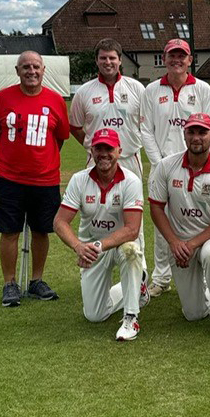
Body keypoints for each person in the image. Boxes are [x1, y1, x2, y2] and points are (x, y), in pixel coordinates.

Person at [0, 51, 70, 307]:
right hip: (8, 179)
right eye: (25, 67)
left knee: (41, 231)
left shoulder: (56, 100)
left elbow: (59, 138)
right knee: (9, 231)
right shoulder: (3, 98)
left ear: (44, 70)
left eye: (36, 66)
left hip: (44, 181)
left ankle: (37, 280)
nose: (31, 71)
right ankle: (9, 283)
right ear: (17, 70)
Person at [54, 128, 148, 341]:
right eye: (99, 148)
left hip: (120, 244)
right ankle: (136, 286)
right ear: (91, 151)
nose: (104, 154)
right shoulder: (79, 180)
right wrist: (79, 247)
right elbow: (60, 222)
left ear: (119, 151)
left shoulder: (131, 181)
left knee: (131, 250)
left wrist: (99, 245)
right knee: (95, 315)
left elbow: (132, 229)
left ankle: (131, 317)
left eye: (109, 148)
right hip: (91, 250)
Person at [149, 113, 210, 339]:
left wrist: (192, 243)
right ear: (184, 134)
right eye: (192, 132)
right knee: (193, 314)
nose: (196, 138)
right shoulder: (166, 167)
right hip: (179, 245)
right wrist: (174, 242)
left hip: (209, 239)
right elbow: (157, 208)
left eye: (202, 132)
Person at [141, 38, 210, 297]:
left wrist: (201, 163)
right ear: (164, 58)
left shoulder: (203, 89)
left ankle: (204, 275)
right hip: (161, 166)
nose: (177, 60)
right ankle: (161, 278)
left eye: (181, 56)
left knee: (197, 218)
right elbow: (145, 130)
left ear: (190, 60)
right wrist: (160, 163)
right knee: (162, 222)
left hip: (195, 166)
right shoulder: (151, 90)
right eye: (172, 55)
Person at [69, 38, 147, 272]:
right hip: (98, 161)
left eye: (112, 57)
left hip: (129, 159)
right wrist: (89, 145)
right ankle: (96, 266)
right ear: (96, 60)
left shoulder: (136, 88)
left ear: (120, 60)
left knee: (134, 219)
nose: (108, 62)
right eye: (103, 57)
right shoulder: (84, 91)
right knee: (95, 214)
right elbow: (74, 125)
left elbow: (147, 123)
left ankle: (139, 272)